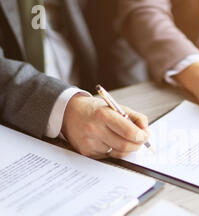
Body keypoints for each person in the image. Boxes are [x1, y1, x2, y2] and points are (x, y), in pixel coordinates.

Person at [0, 0, 149, 159]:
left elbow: (113, 27)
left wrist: (132, 97)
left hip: (96, 105)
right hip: (21, 134)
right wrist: (66, 109)